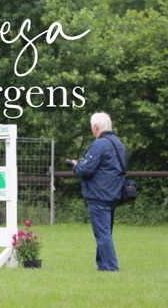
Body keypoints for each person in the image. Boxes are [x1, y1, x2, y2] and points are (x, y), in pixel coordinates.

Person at [71, 112, 126, 272]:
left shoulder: (99, 144)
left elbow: (85, 170)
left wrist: (76, 165)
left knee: (102, 233)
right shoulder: (118, 144)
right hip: (114, 194)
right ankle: (102, 265)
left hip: (99, 195)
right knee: (105, 232)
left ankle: (110, 267)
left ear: (95, 127)